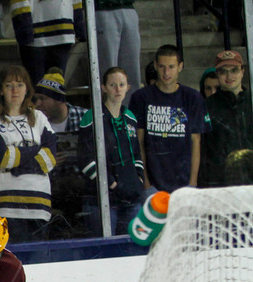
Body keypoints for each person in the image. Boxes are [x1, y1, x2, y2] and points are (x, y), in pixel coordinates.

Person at [0, 65, 57, 242]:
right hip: (3, 206)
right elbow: (4, 159)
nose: (15, 90)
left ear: (27, 89)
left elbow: (49, 160)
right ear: (0, 90)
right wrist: (35, 150)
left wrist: (18, 164)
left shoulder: (40, 118)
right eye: (9, 85)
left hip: (38, 204)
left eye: (20, 85)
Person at [129, 44, 210, 192]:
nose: (166, 72)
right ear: (155, 66)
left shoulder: (192, 97)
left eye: (171, 67)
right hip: (153, 183)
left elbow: (195, 141)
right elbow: (138, 142)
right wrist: (146, 183)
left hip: (183, 183)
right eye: (162, 67)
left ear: (180, 66)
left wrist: (192, 184)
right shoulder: (141, 97)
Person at [78, 67, 148, 235]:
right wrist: (111, 183)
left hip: (131, 198)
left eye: (121, 84)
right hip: (101, 200)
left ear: (128, 87)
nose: (117, 89)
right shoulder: (92, 117)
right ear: (103, 88)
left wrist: (138, 178)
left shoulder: (130, 117)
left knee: (132, 249)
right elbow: (85, 159)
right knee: (104, 251)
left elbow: (136, 154)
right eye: (112, 85)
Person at [33, 68, 87, 236]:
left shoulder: (85, 117)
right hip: (50, 189)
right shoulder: (34, 122)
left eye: (43, 98)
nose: (38, 104)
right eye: (37, 99)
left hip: (82, 188)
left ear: (59, 100)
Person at [200, 51, 253, 188]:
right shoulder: (206, 107)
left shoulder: (251, 102)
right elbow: (203, 150)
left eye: (234, 70)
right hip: (221, 185)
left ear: (242, 71)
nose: (229, 76)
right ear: (217, 74)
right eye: (223, 71)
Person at [14, 0, 86, 86]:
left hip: (55, 32)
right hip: (48, 32)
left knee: (51, 90)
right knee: (47, 89)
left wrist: (79, 27)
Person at [94, 0, 142, 104]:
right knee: (108, 71)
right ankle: (108, 115)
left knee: (132, 71)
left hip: (128, 7)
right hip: (104, 9)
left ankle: (132, 115)